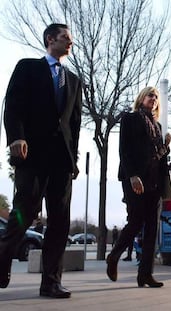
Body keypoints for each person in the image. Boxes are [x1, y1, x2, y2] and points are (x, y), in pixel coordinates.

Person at [0, 23, 82, 298]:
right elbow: (12, 106)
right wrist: (16, 138)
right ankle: (2, 260)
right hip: (32, 155)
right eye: (65, 38)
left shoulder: (73, 80)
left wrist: (75, 158)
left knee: (59, 221)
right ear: (50, 39)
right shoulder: (28, 68)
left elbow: (74, 123)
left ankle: (51, 282)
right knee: (25, 212)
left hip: (62, 161)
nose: (70, 43)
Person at [106, 86, 171, 288]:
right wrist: (133, 175)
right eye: (150, 95)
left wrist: (166, 146)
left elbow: (158, 156)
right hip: (135, 178)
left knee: (153, 228)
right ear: (141, 98)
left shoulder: (158, 126)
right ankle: (114, 256)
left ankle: (145, 274)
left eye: (156, 96)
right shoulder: (130, 118)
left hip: (154, 182)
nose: (154, 98)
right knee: (135, 222)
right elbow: (124, 149)